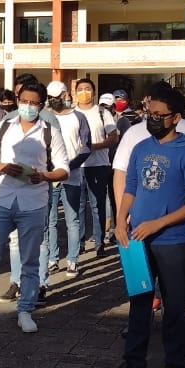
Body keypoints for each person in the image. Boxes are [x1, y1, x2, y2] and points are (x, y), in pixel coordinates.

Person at [110, 86, 185, 368]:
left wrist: (158, 223)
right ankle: (134, 363)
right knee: (139, 300)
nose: (152, 119)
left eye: (159, 115)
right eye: (149, 113)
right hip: (137, 240)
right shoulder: (140, 147)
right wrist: (119, 220)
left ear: (176, 118)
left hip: (172, 241)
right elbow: (131, 187)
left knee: (175, 305)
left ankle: (176, 365)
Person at [0, 81, 69, 333]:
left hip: (33, 202)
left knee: (30, 260)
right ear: (17, 100)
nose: (28, 106)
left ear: (42, 105)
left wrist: (44, 176)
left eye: (34, 103)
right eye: (24, 101)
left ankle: (25, 309)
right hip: (2, 200)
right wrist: (3, 167)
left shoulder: (50, 132)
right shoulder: (4, 127)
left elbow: (63, 169)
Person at [45, 80, 90, 277]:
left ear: (65, 95)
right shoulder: (44, 118)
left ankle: (73, 260)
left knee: (72, 220)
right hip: (50, 176)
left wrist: (68, 167)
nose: (54, 100)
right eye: (50, 98)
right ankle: (52, 259)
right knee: (50, 220)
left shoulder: (78, 117)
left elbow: (86, 147)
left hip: (72, 176)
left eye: (57, 97)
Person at [74, 78, 118, 257]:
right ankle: (79, 241)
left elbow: (113, 137)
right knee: (77, 207)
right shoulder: (71, 113)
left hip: (98, 164)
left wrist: (94, 147)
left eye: (88, 89)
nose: (84, 92)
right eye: (81, 89)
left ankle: (99, 242)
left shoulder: (102, 113)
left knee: (97, 205)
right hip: (76, 166)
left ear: (93, 92)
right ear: (75, 92)